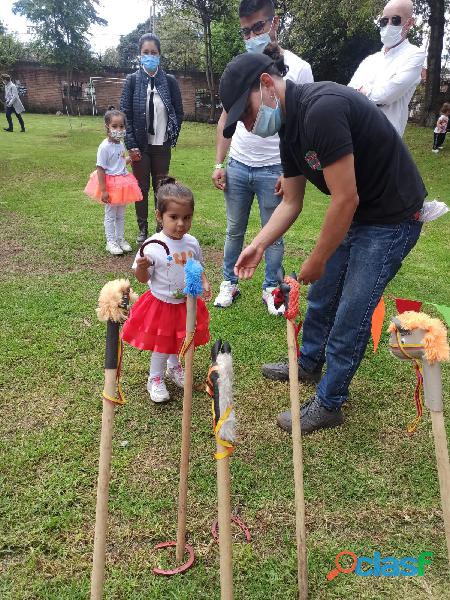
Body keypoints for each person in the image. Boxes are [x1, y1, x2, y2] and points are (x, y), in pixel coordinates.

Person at [219, 49, 427, 435]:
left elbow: (345, 198)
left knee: (353, 310)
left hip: (393, 218)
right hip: (362, 214)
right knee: (322, 294)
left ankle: (330, 403)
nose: (247, 125)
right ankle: (308, 364)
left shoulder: (322, 110)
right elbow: (292, 202)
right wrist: (260, 244)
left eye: (245, 114)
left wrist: (316, 260)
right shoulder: (290, 129)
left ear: (266, 85)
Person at [212, 0, 313, 315]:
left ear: (274, 22)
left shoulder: (299, 68)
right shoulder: (240, 68)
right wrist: (220, 162)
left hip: (277, 168)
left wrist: (291, 169)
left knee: (274, 232)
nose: (252, 35)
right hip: (240, 164)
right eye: (246, 30)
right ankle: (229, 282)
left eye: (257, 27)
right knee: (234, 229)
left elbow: (304, 121)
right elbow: (225, 119)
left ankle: (272, 288)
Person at [121, 177, 212, 403]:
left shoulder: (191, 243)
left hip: (186, 303)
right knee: (162, 344)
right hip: (161, 304)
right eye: (174, 217)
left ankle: (175, 367)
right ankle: (155, 378)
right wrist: (141, 269)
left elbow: (196, 265)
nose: (180, 224)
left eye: (186, 217)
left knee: (180, 339)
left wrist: (205, 281)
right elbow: (143, 279)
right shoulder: (151, 246)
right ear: (159, 217)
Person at [120, 33, 184, 244]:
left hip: (162, 146)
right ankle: (142, 229)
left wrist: (172, 134)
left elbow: (179, 112)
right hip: (140, 146)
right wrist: (131, 145)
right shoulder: (131, 81)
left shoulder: (170, 81)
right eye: (145, 53)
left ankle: (160, 228)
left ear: (159, 55)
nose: (149, 56)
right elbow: (125, 115)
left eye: (153, 53)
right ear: (139, 55)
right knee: (141, 189)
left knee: (161, 189)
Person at [348, 0, 424, 137]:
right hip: (355, 133)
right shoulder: (370, 60)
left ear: (410, 22)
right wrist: (369, 94)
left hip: (385, 139)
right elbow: (349, 93)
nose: (388, 25)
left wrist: (364, 92)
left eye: (395, 20)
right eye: (384, 21)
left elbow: (386, 94)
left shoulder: (414, 55)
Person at [84, 109, 143, 255]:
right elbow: (101, 169)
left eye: (121, 126)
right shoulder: (104, 147)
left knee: (121, 214)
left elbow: (120, 162)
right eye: (115, 126)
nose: (118, 129)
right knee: (110, 214)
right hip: (110, 184)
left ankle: (120, 239)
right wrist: (104, 190)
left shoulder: (121, 144)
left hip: (122, 183)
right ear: (107, 127)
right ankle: (110, 242)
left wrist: (131, 158)